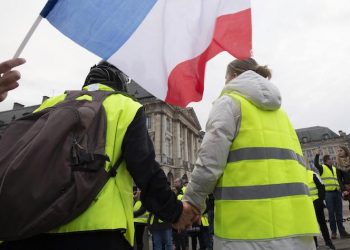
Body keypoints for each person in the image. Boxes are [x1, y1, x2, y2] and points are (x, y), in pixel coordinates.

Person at [0, 61, 196, 250]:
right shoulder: (125, 105)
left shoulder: (51, 104)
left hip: (28, 228)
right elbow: (146, 169)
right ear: (120, 82)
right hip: (98, 232)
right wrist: (175, 212)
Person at [181, 58, 319, 250]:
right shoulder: (282, 115)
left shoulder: (229, 103)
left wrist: (192, 202)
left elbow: (209, 161)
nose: (225, 83)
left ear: (235, 76)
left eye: (226, 78)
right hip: (299, 232)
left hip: (247, 231)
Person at [314, 149, 350, 239]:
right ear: (326, 161)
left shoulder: (335, 168)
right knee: (331, 213)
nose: (332, 160)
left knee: (339, 213)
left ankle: (342, 232)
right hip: (328, 193)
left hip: (337, 192)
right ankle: (333, 233)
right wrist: (317, 155)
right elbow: (316, 164)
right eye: (330, 159)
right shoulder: (322, 168)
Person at [307, 170, 335, 249]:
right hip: (307, 205)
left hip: (316, 203)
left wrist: (320, 200)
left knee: (322, 223)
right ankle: (314, 245)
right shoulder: (298, 175)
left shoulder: (312, 174)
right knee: (311, 225)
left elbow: (321, 186)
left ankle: (328, 242)